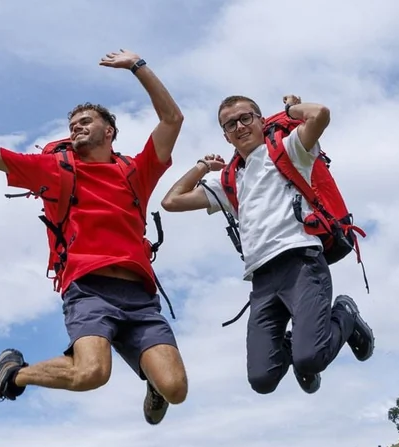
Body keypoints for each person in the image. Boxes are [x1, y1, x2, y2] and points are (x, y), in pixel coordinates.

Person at [0, 49, 188, 425]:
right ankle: (11, 374)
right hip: (89, 289)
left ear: (108, 131)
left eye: (85, 121)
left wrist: (137, 67)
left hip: (140, 297)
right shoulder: (54, 171)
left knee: (176, 389)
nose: (75, 127)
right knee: (92, 374)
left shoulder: (134, 172)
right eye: (72, 123)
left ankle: (155, 383)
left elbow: (172, 119)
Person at [160, 94, 373, 395]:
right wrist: (202, 167)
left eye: (246, 118)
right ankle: (297, 345)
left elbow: (320, 114)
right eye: (230, 124)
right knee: (262, 379)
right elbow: (171, 201)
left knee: (310, 358)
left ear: (261, 120)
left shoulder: (289, 150)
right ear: (225, 135)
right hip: (261, 278)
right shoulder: (229, 178)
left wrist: (289, 112)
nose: (239, 127)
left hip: (301, 262)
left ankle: (345, 314)